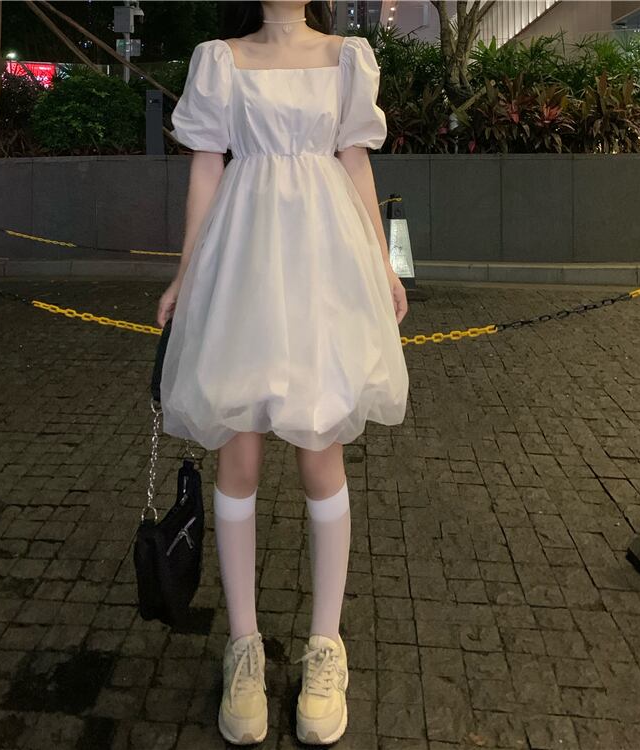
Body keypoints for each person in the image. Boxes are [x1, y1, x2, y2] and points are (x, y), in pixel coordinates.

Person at [156, 1, 409, 744]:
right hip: (243, 266)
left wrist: (381, 266)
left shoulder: (347, 57)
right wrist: (186, 274)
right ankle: (244, 646)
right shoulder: (220, 59)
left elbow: (355, 161)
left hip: (323, 270)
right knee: (237, 455)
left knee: (320, 455)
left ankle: (326, 646)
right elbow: (207, 167)